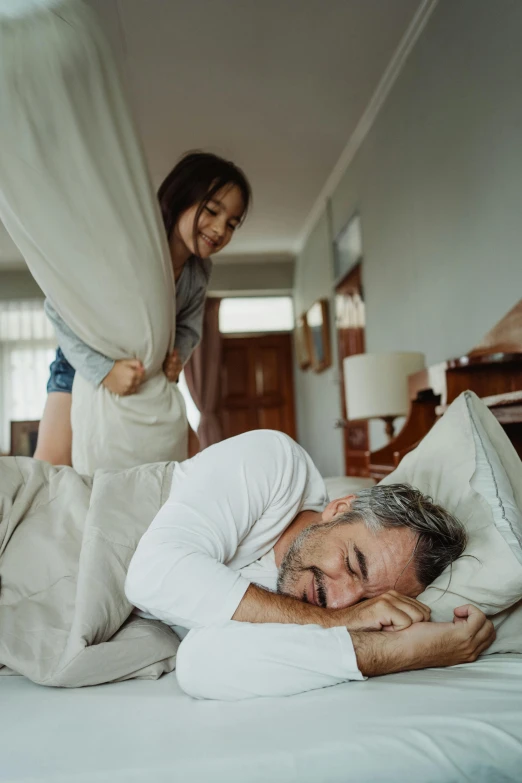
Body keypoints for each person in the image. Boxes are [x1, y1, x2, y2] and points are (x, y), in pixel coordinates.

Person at [125, 429, 495, 700]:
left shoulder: (313, 610)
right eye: (353, 564)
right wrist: (335, 623)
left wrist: (399, 652)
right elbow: (150, 573)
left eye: (365, 603)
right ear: (338, 510)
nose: (338, 600)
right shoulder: (274, 462)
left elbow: (200, 663)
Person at [34, 151, 252, 466]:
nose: (220, 230)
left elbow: (189, 328)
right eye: (213, 211)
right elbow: (58, 308)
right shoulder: (131, 249)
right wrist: (102, 370)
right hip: (81, 360)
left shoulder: (199, 272)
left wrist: (178, 355)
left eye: (231, 223)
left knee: (190, 460)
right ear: (181, 197)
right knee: (52, 466)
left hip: (146, 373)